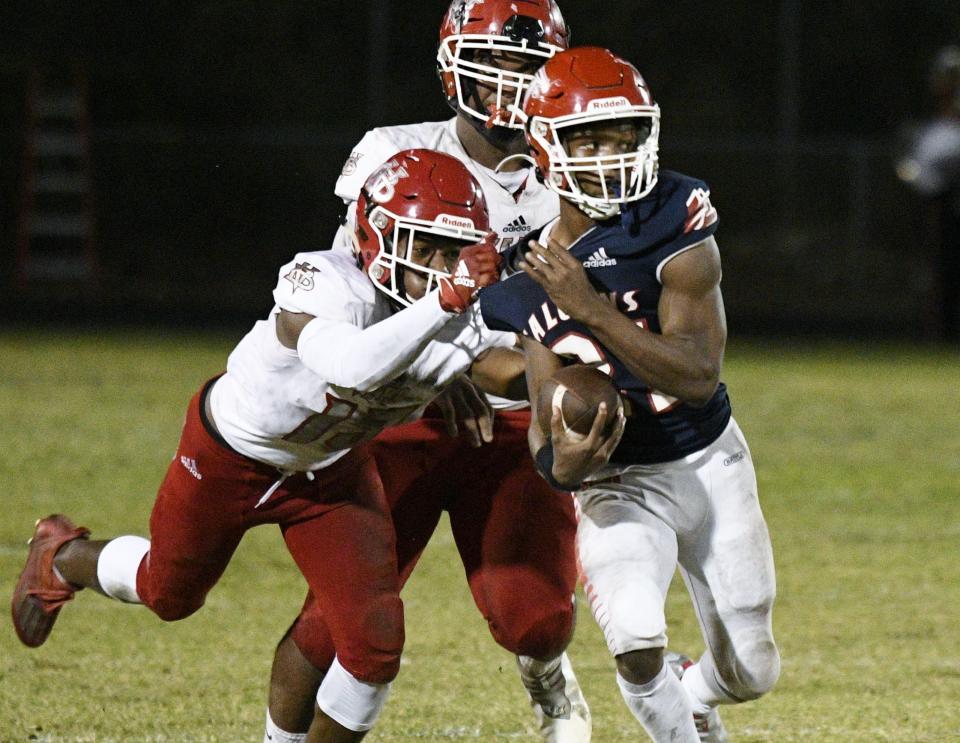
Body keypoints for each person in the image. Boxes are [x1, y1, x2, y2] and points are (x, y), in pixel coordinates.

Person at [12, 149, 507, 742]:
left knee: (374, 644)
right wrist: (444, 309)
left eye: (453, 253)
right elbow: (352, 366)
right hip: (231, 457)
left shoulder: (449, 307)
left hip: (330, 476)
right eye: (424, 246)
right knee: (168, 594)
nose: (439, 267)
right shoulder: (325, 281)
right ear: (378, 234)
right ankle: (61, 557)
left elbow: (513, 362)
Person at [265, 2, 593, 742]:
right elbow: (351, 291)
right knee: (329, 630)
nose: (510, 83)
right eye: (496, 63)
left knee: (536, 618)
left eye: (527, 67)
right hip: (395, 410)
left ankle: (546, 670)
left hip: (512, 418)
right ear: (454, 65)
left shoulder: (570, 168)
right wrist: (445, 367)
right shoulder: (394, 150)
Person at [479, 47, 781, 742]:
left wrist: (590, 308)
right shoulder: (526, 267)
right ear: (545, 143)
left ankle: (696, 691)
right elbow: (543, 433)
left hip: (706, 458)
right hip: (619, 479)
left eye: (624, 134)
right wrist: (568, 465)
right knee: (636, 637)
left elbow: (697, 372)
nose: (611, 153)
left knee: (754, 670)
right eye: (589, 137)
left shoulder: (675, 216)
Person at [896, 44, 960, 341]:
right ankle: (936, 333)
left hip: (949, 205)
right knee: (935, 273)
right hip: (934, 207)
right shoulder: (928, 130)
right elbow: (912, 171)